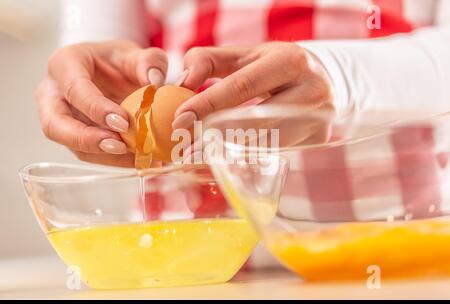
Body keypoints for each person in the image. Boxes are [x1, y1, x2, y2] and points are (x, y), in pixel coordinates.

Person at [36, 0, 450, 168]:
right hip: (191, 242)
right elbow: (95, 36)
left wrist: (338, 77)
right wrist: (83, 84)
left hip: (394, 227)